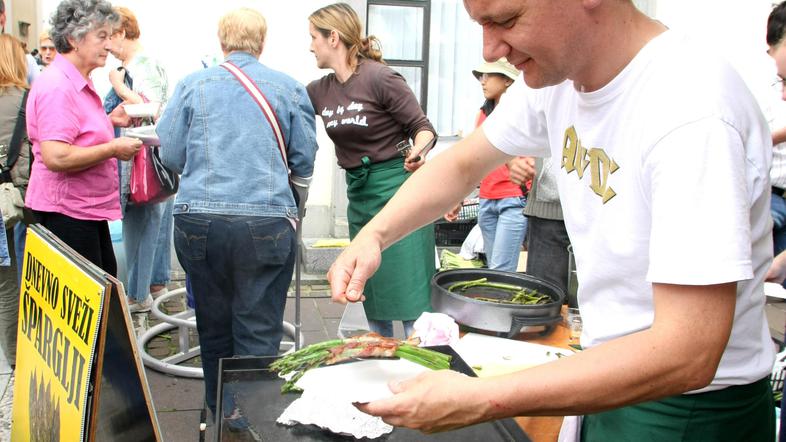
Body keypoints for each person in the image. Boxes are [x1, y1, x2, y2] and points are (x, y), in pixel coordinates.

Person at [328, 0, 775, 439]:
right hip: (606, 374)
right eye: (480, 24)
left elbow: (687, 351)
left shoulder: (691, 110)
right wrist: (374, 236)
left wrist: (480, 398)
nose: (490, 50)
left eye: (506, 20)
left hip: (689, 410)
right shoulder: (557, 79)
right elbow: (463, 164)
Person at [157, 7, 318, 421]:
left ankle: (217, 413)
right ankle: (248, 420)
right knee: (259, 330)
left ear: (221, 41)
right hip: (265, 223)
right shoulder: (288, 88)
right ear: (262, 43)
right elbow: (303, 159)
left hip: (198, 222)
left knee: (212, 326)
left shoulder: (192, 85)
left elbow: (170, 154)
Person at [306, 2, 437, 338]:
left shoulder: (380, 78)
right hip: (360, 196)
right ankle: (380, 357)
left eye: (314, 37)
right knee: (369, 288)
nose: (310, 46)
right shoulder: (319, 90)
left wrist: (419, 151)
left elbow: (423, 128)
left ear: (333, 38)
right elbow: (283, 109)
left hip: (399, 193)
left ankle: (420, 358)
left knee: (409, 294)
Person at [25, 0, 142, 277]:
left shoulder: (74, 80)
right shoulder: (58, 86)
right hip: (66, 213)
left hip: (81, 210)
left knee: (104, 287)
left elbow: (75, 133)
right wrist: (113, 148)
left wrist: (110, 120)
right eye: (101, 36)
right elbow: (57, 156)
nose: (109, 45)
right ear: (73, 39)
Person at [104, 6, 172, 313]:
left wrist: (119, 87)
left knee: (141, 224)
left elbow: (153, 110)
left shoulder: (142, 66)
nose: (106, 45)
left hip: (141, 161)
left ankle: (138, 295)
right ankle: (151, 287)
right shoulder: (142, 64)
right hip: (146, 160)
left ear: (122, 33)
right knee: (149, 222)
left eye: (109, 36)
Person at [445, 58, 527, 272]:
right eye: (482, 76)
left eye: (489, 76)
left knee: (500, 271)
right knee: (493, 270)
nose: (483, 81)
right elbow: (475, 159)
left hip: (513, 199)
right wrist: (458, 197)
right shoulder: (484, 114)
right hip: (487, 200)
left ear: (507, 80)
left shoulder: (522, 112)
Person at [0, 34, 30, 367]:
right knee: (16, 281)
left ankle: (12, 355)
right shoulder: (25, 98)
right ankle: (20, 357)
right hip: (17, 198)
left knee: (3, 283)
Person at [509, 155, 573, 303]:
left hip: (608, 209)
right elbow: (504, 142)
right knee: (543, 300)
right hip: (549, 212)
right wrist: (513, 162)